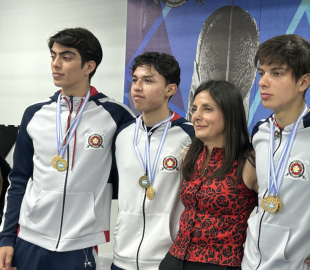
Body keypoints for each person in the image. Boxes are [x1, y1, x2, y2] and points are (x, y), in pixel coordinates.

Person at [0, 28, 135, 270]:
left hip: (81, 242)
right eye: (53, 55)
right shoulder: (35, 114)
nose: (56, 64)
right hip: (29, 237)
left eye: (66, 56)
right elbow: (19, 179)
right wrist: (6, 237)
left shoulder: (116, 116)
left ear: (89, 66)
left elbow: (129, 173)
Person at [241, 34, 310, 270]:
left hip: (295, 264)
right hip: (250, 261)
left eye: (277, 73)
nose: (263, 82)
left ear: (303, 82)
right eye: (261, 73)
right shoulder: (260, 131)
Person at [159, 80, 257, 270]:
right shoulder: (191, 154)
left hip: (220, 262)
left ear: (229, 114)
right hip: (175, 258)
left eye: (207, 109)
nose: (196, 116)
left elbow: (275, 215)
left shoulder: (249, 161)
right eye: (195, 109)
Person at [111, 52, 194, 270]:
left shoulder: (190, 136)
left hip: (168, 260)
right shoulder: (122, 135)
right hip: (122, 258)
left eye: (148, 80)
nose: (137, 87)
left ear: (170, 89)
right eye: (135, 80)